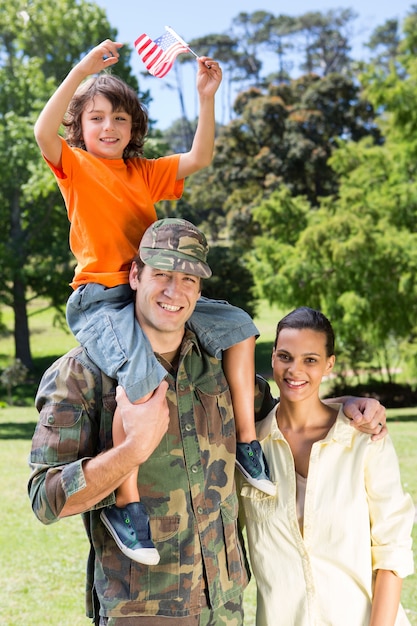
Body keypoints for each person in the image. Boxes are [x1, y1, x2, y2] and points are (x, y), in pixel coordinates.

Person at [28, 220, 388, 626]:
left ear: (199, 290)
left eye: (187, 279)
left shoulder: (219, 366)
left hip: (226, 603)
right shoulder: (82, 374)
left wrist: (351, 404)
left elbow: (284, 416)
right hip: (143, 610)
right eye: (161, 274)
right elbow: (45, 497)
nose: (173, 291)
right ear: (135, 275)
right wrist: (131, 452)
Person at [33, 39, 273, 566]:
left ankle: (249, 445)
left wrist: (207, 96)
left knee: (238, 324)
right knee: (143, 382)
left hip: (156, 291)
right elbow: (41, 131)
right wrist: (85, 70)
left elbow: (200, 157)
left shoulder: (143, 172)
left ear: (133, 126)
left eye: (119, 118)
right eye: (96, 118)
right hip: (102, 299)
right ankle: (127, 504)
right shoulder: (73, 166)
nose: (109, 127)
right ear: (81, 126)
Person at [237, 306, 415, 626]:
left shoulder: (364, 440)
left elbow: (392, 552)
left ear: (328, 365)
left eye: (310, 360)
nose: (295, 370)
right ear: (273, 358)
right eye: (285, 356)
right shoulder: (250, 454)